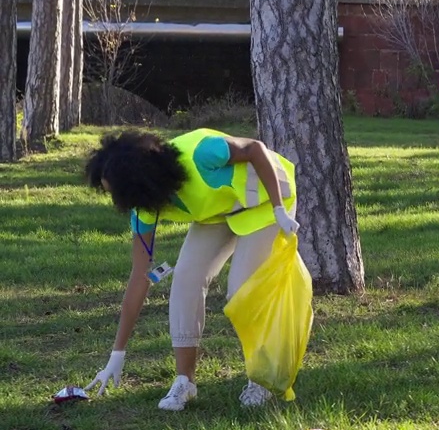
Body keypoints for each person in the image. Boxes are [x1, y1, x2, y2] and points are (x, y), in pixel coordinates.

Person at [83, 128, 300, 411]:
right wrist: (117, 353)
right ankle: (185, 381)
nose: (120, 203)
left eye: (120, 194)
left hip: (265, 203)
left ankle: (262, 379)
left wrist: (278, 209)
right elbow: (140, 275)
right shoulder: (146, 205)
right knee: (185, 280)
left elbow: (255, 149)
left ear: (140, 181)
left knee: (241, 291)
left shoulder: (202, 153)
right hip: (217, 211)